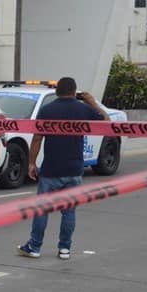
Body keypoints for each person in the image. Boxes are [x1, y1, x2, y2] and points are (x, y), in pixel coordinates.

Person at [17, 77, 109, 260]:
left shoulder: (47, 110)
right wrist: (93, 103)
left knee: (42, 210)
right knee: (69, 211)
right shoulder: (83, 109)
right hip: (74, 169)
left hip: (51, 169)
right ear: (74, 92)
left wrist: (31, 163)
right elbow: (106, 123)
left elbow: (37, 138)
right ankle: (65, 249)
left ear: (57, 91)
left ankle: (34, 246)